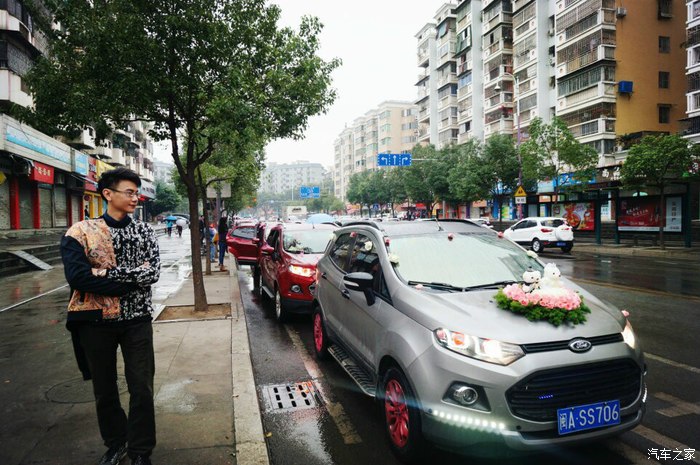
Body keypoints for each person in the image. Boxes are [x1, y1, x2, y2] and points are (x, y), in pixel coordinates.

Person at [60, 167, 160, 465]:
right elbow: (78, 278)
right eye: (129, 192)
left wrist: (104, 273)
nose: (135, 198)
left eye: (136, 193)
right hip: (95, 322)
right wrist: (130, 280)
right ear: (107, 194)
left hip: (137, 320)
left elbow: (152, 273)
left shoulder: (144, 231)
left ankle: (141, 451)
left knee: (142, 388)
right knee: (104, 390)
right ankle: (116, 443)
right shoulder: (80, 232)